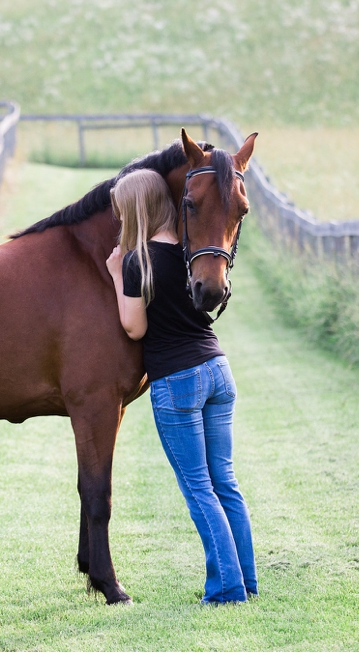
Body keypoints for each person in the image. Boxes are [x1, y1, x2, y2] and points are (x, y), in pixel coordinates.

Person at [104, 168, 257, 604]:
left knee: (198, 487)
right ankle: (245, 580)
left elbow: (134, 327)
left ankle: (227, 589)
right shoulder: (190, 251)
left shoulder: (137, 260)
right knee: (224, 481)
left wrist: (117, 273)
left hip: (177, 380)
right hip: (217, 369)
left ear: (135, 211)